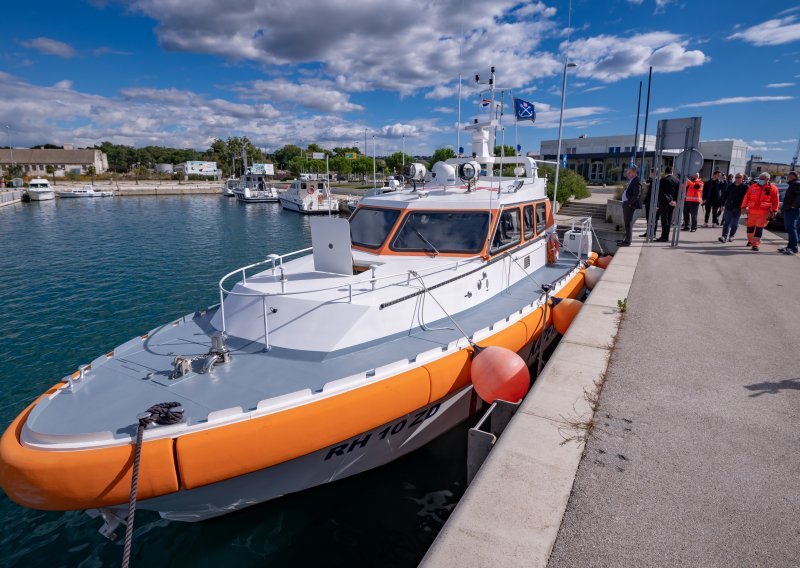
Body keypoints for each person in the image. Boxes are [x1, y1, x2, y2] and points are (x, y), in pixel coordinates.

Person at [741, 172, 779, 251]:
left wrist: (774, 211)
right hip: (752, 212)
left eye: (762, 179)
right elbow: (746, 197)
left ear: (767, 179)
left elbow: (776, 201)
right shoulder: (753, 187)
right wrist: (743, 207)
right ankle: (750, 241)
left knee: (759, 229)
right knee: (750, 228)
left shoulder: (773, 188)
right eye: (760, 178)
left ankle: (755, 244)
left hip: (764, 213)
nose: (760, 180)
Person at [718, 173, 748, 242]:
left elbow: (748, 198)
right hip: (729, 207)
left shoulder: (745, 187)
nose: (737, 178)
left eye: (739, 177)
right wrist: (722, 205)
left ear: (742, 178)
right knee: (726, 223)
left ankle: (731, 235)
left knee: (734, 224)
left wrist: (746, 207)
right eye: (736, 177)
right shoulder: (730, 186)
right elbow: (725, 196)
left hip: (738, 208)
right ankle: (724, 237)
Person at [617, 166, 642, 247]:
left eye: (629, 173)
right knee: (627, 222)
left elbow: (637, 194)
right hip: (626, 204)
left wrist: (629, 203)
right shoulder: (632, 180)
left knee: (628, 222)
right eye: (627, 173)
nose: (627, 174)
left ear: (634, 172)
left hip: (629, 205)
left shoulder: (636, 180)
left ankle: (628, 241)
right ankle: (627, 240)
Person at [778, 170, 799, 255]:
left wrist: (794, 205)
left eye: (789, 176)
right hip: (789, 209)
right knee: (790, 229)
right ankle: (789, 247)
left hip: (792, 210)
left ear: (793, 176)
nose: (787, 177)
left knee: (791, 228)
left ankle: (793, 248)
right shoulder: (793, 184)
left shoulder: (796, 184)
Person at [656, 166, 679, 241]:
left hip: (664, 202)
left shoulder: (663, 180)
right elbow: (678, 193)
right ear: (672, 172)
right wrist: (674, 201)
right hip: (673, 204)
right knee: (669, 219)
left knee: (664, 219)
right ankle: (666, 236)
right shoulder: (677, 180)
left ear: (665, 172)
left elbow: (662, 192)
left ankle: (664, 237)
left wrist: (669, 201)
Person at [639, 167, 658, 238]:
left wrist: (657, 205)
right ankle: (648, 232)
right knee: (648, 218)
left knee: (654, 218)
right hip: (648, 203)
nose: (649, 173)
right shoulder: (651, 180)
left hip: (654, 203)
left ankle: (653, 233)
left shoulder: (656, 181)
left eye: (650, 172)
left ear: (652, 173)